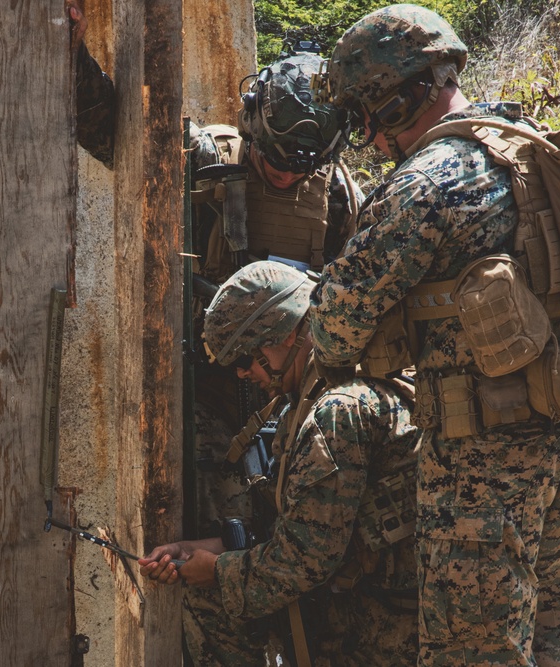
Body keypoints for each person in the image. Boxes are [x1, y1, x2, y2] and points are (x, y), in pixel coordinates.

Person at [309, 5, 560, 665]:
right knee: (558, 639)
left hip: (483, 467)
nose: (370, 137)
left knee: (473, 651)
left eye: (368, 117)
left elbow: (333, 329)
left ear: (393, 104)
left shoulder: (427, 181)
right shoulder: (533, 143)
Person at [66, 0, 363, 537]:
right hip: (199, 396)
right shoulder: (205, 160)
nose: (283, 176)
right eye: (273, 158)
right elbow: (111, 129)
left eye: (301, 169)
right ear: (253, 124)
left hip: (292, 398)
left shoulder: (338, 199)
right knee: (203, 538)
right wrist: (72, 53)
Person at [140, 260, 419, 666]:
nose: (242, 374)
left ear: (287, 336)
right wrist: (194, 551)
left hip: (388, 622)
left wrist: (217, 572)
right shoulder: (306, 404)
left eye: (246, 358)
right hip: (364, 600)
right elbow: (289, 528)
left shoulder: (336, 412)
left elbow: (303, 560)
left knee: (211, 599)